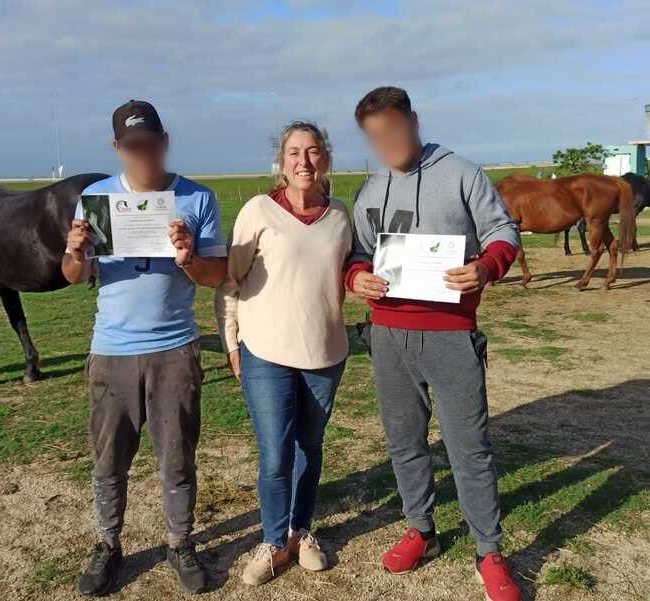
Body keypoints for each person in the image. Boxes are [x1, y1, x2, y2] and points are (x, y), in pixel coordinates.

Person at [344, 87, 522, 601]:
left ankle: (489, 550)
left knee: (470, 448)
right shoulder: (371, 189)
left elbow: (503, 230)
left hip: (450, 336)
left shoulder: (462, 173)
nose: (388, 142)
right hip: (388, 335)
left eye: (395, 129)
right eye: (375, 135)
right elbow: (357, 253)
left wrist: (486, 267)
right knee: (404, 442)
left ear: (414, 121)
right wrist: (357, 278)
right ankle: (421, 530)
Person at [63, 99, 227, 596]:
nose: (144, 155)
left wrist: (187, 258)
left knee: (177, 458)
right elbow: (75, 276)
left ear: (165, 141)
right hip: (111, 349)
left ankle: (180, 543)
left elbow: (216, 276)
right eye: (132, 147)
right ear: (117, 148)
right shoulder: (95, 198)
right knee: (109, 461)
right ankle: (107, 545)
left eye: (151, 144)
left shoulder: (197, 199)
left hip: (175, 349)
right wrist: (74, 253)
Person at [215, 122, 352, 586]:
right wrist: (231, 341)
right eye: (294, 152)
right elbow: (230, 281)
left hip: (325, 352)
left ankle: (301, 531)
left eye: (313, 152)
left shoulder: (340, 216)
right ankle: (273, 542)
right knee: (275, 454)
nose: (304, 162)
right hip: (266, 352)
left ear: (326, 159)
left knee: (309, 449)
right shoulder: (258, 211)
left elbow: (351, 273)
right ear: (282, 160)